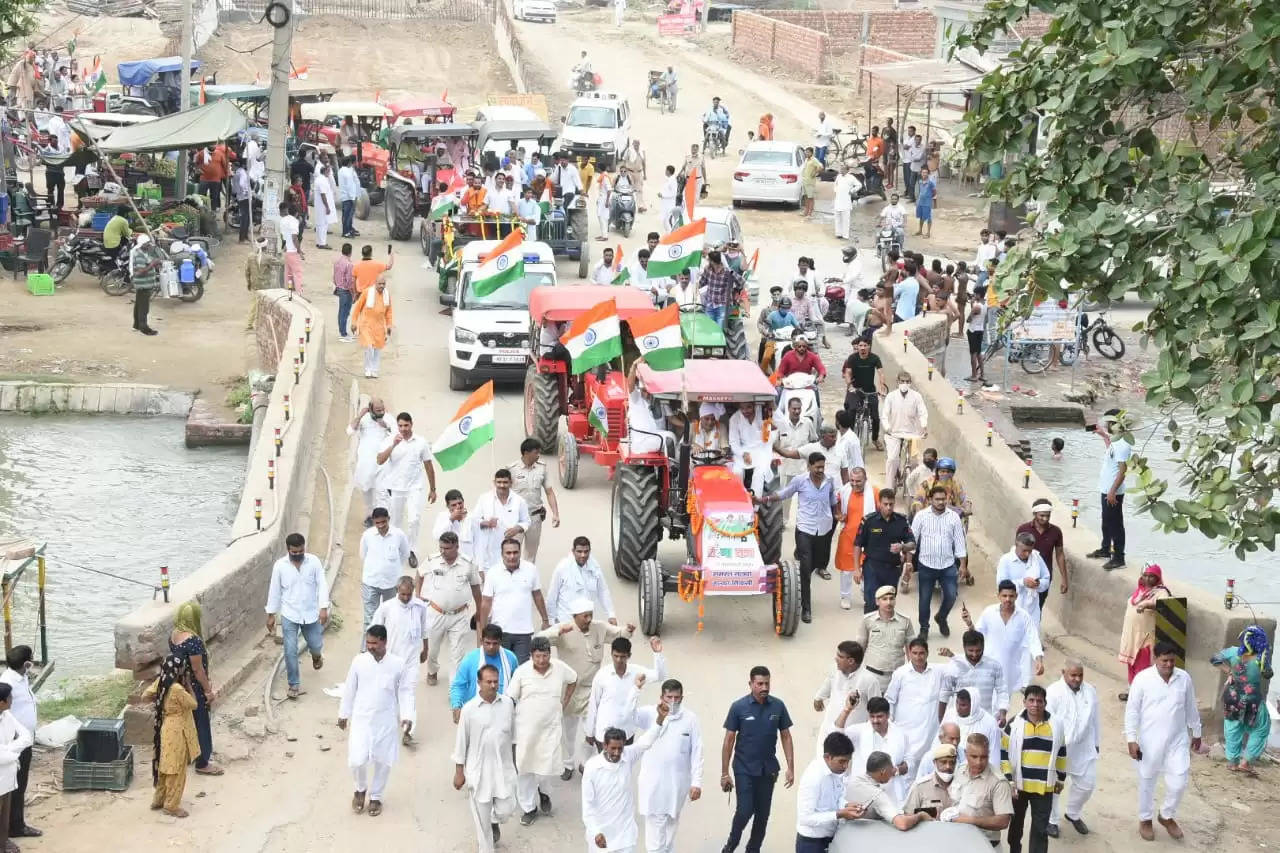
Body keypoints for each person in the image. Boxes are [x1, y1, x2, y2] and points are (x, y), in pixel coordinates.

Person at [538, 600, 633, 780]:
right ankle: (567, 764)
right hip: (568, 689)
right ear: (574, 617)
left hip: (591, 689)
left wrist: (628, 630)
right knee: (568, 730)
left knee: (593, 729)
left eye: (591, 614)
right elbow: (539, 639)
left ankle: (586, 764)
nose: (589, 619)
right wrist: (557, 631)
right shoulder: (564, 629)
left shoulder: (599, 627)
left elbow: (619, 634)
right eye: (585, 616)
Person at [1124, 641, 1202, 841]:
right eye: (1164, 660)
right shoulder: (1142, 679)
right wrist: (1131, 738)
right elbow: (1132, 710)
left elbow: (1191, 707)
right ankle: (1145, 819)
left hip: (1177, 741)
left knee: (1179, 782)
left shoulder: (1184, 678)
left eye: (1172, 660)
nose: (1169, 664)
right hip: (1149, 742)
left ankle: (1166, 815)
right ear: (1155, 659)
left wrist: (1197, 732)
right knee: (1147, 781)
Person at [338, 624, 412, 816]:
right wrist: (343, 713)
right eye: (368, 642)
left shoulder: (397, 664)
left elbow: (405, 692)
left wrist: (407, 716)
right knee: (357, 759)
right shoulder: (359, 661)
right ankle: (360, 789)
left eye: (374, 643)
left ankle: (376, 796)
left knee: (383, 760)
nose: (370, 646)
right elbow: (349, 689)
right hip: (361, 718)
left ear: (384, 642)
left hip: (385, 719)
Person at [721, 666, 795, 853]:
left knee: (762, 815)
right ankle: (731, 845)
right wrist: (724, 773)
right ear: (751, 684)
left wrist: (790, 768)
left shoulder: (778, 706)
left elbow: (786, 736)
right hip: (744, 767)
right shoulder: (739, 707)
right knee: (745, 810)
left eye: (767, 683)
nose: (764, 687)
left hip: (768, 769)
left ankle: (753, 850)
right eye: (759, 683)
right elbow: (729, 740)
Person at [508, 636, 577, 826]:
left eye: (545, 656)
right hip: (525, 731)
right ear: (531, 656)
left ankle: (544, 794)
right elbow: (510, 698)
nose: (541, 661)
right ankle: (529, 808)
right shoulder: (522, 672)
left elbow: (574, 679)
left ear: (550, 654)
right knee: (524, 768)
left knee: (546, 767)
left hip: (550, 729)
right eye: (537, 657)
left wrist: (565, 701)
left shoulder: (559, 667)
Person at [762, 452, 838, 623]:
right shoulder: (800, 481)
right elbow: (784, 494)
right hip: (804, 529)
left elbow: (832, 500)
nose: (820, 470)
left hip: (823, 530)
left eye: (822, 467)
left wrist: (837, 514)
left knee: (817, 563)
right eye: (817, 467)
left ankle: (800, 572)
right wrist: (764, 499)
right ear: (809, 466)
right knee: (805, 569)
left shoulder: (829, 481)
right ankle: (806, 608)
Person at [631, 678, 703, 852]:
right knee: (656, 834)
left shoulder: (690, 719)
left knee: (670, 828)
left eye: (676, 698)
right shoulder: (649, 713)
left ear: (682, 698)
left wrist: (696, 782)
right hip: (653, 784)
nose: (672, 702)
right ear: (661, 697)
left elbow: (697, 751)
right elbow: (629, 715)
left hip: (677, 786)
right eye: (669, 697)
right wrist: (635, 691)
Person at [453, 664, 518, 852]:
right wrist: (459, 772)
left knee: (506, 810)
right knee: (482, 826)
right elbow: (461, 743)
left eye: (496, 681)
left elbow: (513, 737)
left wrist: (514, 765)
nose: (492, 685)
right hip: (478, 772)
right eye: (488, 681)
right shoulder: (469, 709)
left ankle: (494, 820)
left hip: (503, 769)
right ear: (479, 683)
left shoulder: (507, 704)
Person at [1000, 684, 1066, 853]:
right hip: (1018, 787)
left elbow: (1061, 751)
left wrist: (1061, 778)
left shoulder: (1056, 725)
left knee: (1040, 830)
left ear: (1045, 703)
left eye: (1039, 701)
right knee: (1016, 826)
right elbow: (1004, 753)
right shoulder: (1014, 724)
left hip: (1044, 787)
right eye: (1031, 700)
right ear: (1024, 702)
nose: (1035, 704)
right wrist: (1009, 780)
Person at [265, 533, 329, 699]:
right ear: (288, 550)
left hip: (310, 613)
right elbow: (275, 591)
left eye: (301, 551)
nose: (298, 554)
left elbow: (322, 584)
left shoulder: (314, 562)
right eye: (294, 552)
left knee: (315, 644)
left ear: (304, 548)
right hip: (289, 614)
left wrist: (323, 608)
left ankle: (316, 656)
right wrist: (271, 614)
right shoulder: (280, 566)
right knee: (290, 650)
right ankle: (294, 684)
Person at [582, 724, 660, 853]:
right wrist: (596, 832)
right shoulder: (592, 767)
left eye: (620, 748)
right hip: (601, 836)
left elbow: (645, 743)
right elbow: (587, 805)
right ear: (605, 746)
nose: (617, 753)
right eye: (613, 748)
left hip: (625, 836)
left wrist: (659, 720)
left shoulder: (627, 756)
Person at [417, 530, 481, 686]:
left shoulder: (468, 563)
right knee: (432, 648)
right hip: (436, 613)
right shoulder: (432, 560)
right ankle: (432, 671)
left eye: (446, 548)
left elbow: (476, 587)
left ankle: (455, 687)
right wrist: (418, 596)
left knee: (457, 653)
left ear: (457, 547)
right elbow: (419, 574)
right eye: (441, 547)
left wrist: (480, 610)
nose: (443, 551)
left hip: (459, 615)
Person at [368, 577, 428, 743]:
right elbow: (373, 630)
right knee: (388, 692)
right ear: (397, 592)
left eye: (409, 594)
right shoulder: (386, 608)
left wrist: (426, 649)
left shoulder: (420, 607)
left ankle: (408, 728)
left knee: (408, 691)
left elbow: (424, 630)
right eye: (403, 595)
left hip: (411, 659)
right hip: (390, 658)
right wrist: (373, 653)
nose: (406, 598)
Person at [166, 604, 222, 779]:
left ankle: (189, 754)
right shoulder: (194, 641)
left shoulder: (174, 635)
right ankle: (203, 762)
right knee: (202, 723)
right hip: (195, 688)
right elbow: (198, 670)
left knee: (188, 722)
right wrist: (208, 691)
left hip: (181, 684)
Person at [1044, 661, 1100, 837]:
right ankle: (1052, 820)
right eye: (1073, 675)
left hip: (1083, 747)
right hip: (1058, 748)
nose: (1077, 679)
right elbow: (1046, 721)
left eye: (1080, 675)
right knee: (1054, 787)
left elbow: (1095, 719)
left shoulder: (1090, 691)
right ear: (1063, 672)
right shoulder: (1053, 692)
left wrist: (1096, 742)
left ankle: (1073, 813)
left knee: (1087, 784)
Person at [375, 411, 436, 565]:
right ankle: (395, 548)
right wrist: (393, 445)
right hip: (395, 488)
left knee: (414, 519)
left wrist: (433, 489)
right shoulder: (390, 440)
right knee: (395, 521)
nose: (403, 429)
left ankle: (411, 550)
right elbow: (380, 460)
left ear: (411, 424)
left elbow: (429, 465)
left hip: (414, 488)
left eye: (406, 425)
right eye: (400, 425)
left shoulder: (421, 442)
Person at [479, 538, 550, 665]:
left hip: (524, 632)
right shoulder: (493, 572)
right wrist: (484, 631)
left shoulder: (531, 569)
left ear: (520, 552)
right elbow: (486, 603)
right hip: (500, 631)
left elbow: (537, 595)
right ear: (502, 554)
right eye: (508, 553)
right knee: (500, 668)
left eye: (515, 552)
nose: (512, 556)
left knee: (520, 669)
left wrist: (545, 620)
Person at [911, 485, 969, 637]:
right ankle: (924, 628)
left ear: (948, 499)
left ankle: (941, 617)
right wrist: (908, 562)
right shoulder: (921, 516)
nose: (941, 502)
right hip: (926, 565)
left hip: (948, 565)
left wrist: (963, 565)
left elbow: (960, 541)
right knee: (924, 600)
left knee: (951, 596)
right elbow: (912, 540)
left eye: (943, 499)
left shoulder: (954, 517)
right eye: (937, 499)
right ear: (930, 500)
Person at [587, 635, 665, 747]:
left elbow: (659, 676)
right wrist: (590, 731)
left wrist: (657, 654)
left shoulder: (636, 671)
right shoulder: (602, 675)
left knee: (625, 764)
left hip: (627, 733)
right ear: (611, 654)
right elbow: (594, 703)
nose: (619, 660)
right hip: (604, 734)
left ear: (629, 656)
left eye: (622, 657)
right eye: (616, 656)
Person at [1213, 625, 1271, 776]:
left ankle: (1232, 763)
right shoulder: (1260, 657)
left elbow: (1214, 659)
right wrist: (1266, 656)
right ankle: (1246, 762)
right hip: (1252, 699)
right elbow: (1267, 674)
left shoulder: (1232, 652)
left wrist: (1229, 671)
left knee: (1233, 728)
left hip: (1232, 697)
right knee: (1261, 727)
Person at [145, 656, 197, 818]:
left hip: (166, 726)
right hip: (178, 730)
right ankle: (171, 805)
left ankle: (158, 799)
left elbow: (145, 696)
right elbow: (193, 704)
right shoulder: (177, 689)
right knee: (177, 768)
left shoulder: (161, 682)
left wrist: (161, 702)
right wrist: (189, 685)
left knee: (165, 765)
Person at [886, 637, 944, 781]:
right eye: (915, 653)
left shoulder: (937, 671)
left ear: (927, 653)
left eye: (922, 653)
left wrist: (950, 655)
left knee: (927, 770)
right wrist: (889, 724)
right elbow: (890, 699)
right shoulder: (900, 673)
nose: (918, 657)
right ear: (909, 654)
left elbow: (959, 668)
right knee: (906, 771)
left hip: (930, 731)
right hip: (906, 730)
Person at [796, 731, 865, 851]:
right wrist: (839, 814)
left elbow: (836, 798)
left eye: (848, 761)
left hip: (830, 838)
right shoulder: (813, 777)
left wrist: (847, 805)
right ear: (827, 757)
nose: (845, 766)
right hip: (811, 843)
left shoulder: (836, 771)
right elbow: (805, 818)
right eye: (842, 761)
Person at [851, 491, 915, 617]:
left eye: (891, 504)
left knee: (887, 604)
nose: (889, 507)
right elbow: (858, 544)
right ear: (879, 503)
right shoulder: (869, 521)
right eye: (885, 504)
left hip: (892, 569)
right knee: (871, 602)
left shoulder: (901, 521)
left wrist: (902, 546)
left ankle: (885, 632)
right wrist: (856, 569)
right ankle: (870, 633)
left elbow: (912, 543)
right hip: (872, 568)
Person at [835, 695, 910, 803]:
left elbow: (909, 761)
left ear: (888, 715)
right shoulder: (859, 731)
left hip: (890, 794)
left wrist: (897, 770)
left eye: (879, 716)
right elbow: (837, 733)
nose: (875, 720)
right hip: (863, 793)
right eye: (872, 716)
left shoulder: (901, 734)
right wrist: (847, 709)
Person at [1117, 564, 1170, 698]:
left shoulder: (1160, 592)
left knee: (1142, 667)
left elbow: (1164, 604)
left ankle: (1142, 695)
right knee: (1132, 665)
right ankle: (1132, 691)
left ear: (1157, 577)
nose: (1147, 579)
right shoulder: (1139, 591)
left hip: (1145, 637)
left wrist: (1147, 604)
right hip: (1131, 635)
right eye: (1145, 575)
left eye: (1151, 576)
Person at [948, 733, 1015, 841]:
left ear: (989, 754)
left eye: (983, 757)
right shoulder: (959, 771)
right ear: (965, 754)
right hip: (956, 839)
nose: (978, 762)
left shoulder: (999, 782)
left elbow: (1003, 821)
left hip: (984, 843)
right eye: (974, 757)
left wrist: (971, 821)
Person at [1088, 409, 1132, 570]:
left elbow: (1123, 471)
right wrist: (1104, 436)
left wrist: (1113, 491)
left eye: (1108, 423)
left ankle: (1119, 557)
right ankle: (1106, 549)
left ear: (1115, 423)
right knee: (1106, 521)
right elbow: (1111, 453)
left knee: (1115, 524)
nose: (1106, 425)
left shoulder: (1123, 444)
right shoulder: (1115, 441)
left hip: (1113, 492)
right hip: (1106, 489)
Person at [0, 648, 36, 840]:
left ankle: (15, 823)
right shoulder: (7, 682)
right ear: (26, 663)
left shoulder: (22, 677)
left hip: (24, 740)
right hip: (13, 744)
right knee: (12, 786)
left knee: (20, 784)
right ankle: (14, 827)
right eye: (30, 660)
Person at [845, 751, 930, 831]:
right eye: (891, 770)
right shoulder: (877, 795)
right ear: (883, 772)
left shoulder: (852, 781)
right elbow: (902, 824)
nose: (893, 773)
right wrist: (920, 816)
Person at [358, 507, 410, 636]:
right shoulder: (367, 535)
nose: (381, 526)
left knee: (390, 617)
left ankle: (387, 648)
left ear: (388, 519)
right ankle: (367, 650)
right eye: (377, 523)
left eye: (383, 522)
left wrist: (393, 569)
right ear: (373, 522)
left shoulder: (399, 535)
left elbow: (405, 554)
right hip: (370, 582)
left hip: (392, 584)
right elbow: (362, 555)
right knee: (370, 619)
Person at [939, 631, 1009, 724]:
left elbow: (1002, 691)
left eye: (978, 650)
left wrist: (1003, 713)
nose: (975, 654)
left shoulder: (994, 666)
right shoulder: (953, 666)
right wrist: (941, 721)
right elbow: (944, 694)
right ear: (964, 647)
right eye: (971, 651)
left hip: (984, 720)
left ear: (983, 647)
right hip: (959, 721)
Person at [451, 625, 519, 720]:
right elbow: (458, 685)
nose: (491, 647)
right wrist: (456, 706)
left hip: (503, 713)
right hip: (476, 713)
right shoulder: (470, 659)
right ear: (481, 640)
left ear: (500, 642)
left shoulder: (511, 658)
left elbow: (517, 684)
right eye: (487, 643)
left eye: (495, 643)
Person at [509, 438, 560, 561]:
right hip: (515, 518)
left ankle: (528, 579)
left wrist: (555, 514)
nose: (538, 456)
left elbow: (549, 492)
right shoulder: (511, 469)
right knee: (512, 552)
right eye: (536, 453)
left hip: (534, 518)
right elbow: (501, 492)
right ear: (526, 453)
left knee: (531, 554)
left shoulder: (542, 468)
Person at [546, 537, 615, 624]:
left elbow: (603, 591)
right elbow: (552, 595)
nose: (583, 555)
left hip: (588, 621)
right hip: (567, 621)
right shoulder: (562, 568)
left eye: (586, 552)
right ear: (573, 551)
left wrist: (611, 614)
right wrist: (551, 620)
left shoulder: (595, 567)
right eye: (579, 552)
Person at [474, 469, 531, 572]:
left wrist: (517, 529)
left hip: (510, 551)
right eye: (499, 482)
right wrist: (487, 523)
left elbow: (526, 521)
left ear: (511, 483)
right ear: (494, 482)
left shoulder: (519, 501)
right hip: (488, 550)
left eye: (505, 482)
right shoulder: (484, 499)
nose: (502, 485)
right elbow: (474, 521)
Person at [1017, 501, 1068, 611]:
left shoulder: (1056, 532)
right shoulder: (1023, 529)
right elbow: (1017, 553)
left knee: (1038, 606)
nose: (1045, 519)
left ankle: (1034, 626)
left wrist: (1064, 579)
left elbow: (1060, 555)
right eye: (1042, 515)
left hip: (1044, 577)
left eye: (1048, 516)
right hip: (1024, 574)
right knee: (1021, 605)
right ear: (1035, 514)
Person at [994, 532, 1052, 629]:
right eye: (1024, 550)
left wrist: (1038, 584)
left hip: (1032, 609)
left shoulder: (1036, 558)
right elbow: (1001, 585)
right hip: (1012, 607)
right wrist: (1022, 583)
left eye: (1030, 551)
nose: (1028, 554)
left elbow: (1046, 578)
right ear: (1016, 545)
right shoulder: (1006, 560)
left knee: (1032, 638)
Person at [348, 398, 392, 524]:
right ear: (371, 410)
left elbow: (396, 433)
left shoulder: (388, 418)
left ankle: (383, 518)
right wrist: (359, 416)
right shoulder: (364, 419)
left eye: (382, 409)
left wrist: (385, 425)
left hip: (383, 463)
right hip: (366, 463)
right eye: (378, 410)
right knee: (367, 490)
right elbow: (350, 431)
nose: (381, 412)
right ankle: (370, 516)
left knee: (382, 492)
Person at [881, 372, 927, 490]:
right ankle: (889, 489)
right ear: (897, 382)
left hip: (912, 434)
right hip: (893, 433)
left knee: (915, 462)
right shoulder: (891, 396)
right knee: (892, 460)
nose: (904, 384)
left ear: (910, 383)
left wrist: (924, 426)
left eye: (907, 381)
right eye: (902, 381)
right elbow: (884, 415)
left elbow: (922, 413)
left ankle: (913, 490)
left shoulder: (917, 397)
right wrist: (887, 428)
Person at [943, 689, 1003, 770]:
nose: (958, 707)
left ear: (973, 705)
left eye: (963, 705)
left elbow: (994, 756)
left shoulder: (990, 723)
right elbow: (938, 742)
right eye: (957, 703)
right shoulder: (950, 715)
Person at [351, 275, 394, 380]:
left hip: (379, 327)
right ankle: (368, 369)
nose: (382, 286)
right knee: (369, 347)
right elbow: (357, 308)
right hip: (366, 324)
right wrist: (354, 322)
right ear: (375, 283)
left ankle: (374, 370)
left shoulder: (387, 295)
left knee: (377, 349)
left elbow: (389, 312)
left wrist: (389, 325)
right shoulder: (367, 292)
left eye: (384, 284)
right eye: (380, 283)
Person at [904, 742, 956, 817]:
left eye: (952, 762)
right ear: (934, 762)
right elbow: (908, 815)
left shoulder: (962, 785)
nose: (948, 766)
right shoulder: (920, 787)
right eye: (943, 762)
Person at [128, 233, 164, 336]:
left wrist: (154, 263)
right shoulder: (139, 254)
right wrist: (152, 264)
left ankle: (137, 325)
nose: (149, 245)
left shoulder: (144, 252)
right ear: (142, 244)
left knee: (139, 305)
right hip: (143, 284)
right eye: (147, 243)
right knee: (144, 307)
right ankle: (144, 328)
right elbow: (140, 272)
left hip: (144, 284)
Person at [432, 489, 480, 563]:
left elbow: (478, 543)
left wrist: (479, 566)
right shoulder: (442, 516)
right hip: (448, 562)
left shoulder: (472, 517)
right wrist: (451, 519)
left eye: (460, 503)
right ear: (448, 506)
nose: (458, 507)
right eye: (453, 505)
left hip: (468, 562)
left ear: (463, 502)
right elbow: (437, 536)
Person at [333, 242, 357, 342]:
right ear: (350, 252)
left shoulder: (337, 262)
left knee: (341, 311)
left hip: (339, 288)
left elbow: (334, 276)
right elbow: (349, 281)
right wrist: (354, 293)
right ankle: (343, 333)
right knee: (345, 312)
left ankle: (342, 331)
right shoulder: (349, 264)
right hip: (346, 290)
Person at [312, 162, 336, 249]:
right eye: (329, 171)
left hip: (320, 206)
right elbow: (323, 194)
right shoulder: (322, 180)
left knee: (319, 224)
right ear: (325, 171)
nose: (329, 173)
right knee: (323, 224)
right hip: (322, 206)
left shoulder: (320, 179)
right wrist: (327, 207)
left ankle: (319, 242)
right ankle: (322, 243)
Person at [337, 156, 361, 239]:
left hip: (345, 196)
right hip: (349, 197)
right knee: (347, 216)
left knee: (346, 215)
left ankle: (348, 230)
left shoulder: (341, 170)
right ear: (349, 163)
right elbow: (350, 186)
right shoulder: (347, 173)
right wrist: (352, 197)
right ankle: (346, 232)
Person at [833, 164, 856, 240]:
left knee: (846, 219)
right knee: (837, 218)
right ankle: (838, 233)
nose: (841, 170)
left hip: (846, 200)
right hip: (838, 199)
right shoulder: (839, 176)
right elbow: (835, 184)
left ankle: (845, 235)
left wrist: (852, 191)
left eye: (843, 169)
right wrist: (836, 190)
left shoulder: (851, 177)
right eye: (841, 169)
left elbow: (859, 185)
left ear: (847, 170)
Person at [622, 140, 647, 210]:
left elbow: (644, 163)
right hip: (630, 172)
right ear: (633, 144)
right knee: (630, 189)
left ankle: (640, 206)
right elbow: (624, 160)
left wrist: (645, 174)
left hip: (639, 173)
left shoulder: (642, 151)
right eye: (635, 143)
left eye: (637, 143)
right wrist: (623, 172)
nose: (636, 145)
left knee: (639, 190)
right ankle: (628, 206)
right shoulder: (629, 150)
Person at [914, 166, 936, 238]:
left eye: (926, 173)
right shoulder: (920, 181)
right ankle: (920, 230)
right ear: (921, 173)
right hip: (920, 202)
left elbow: (934, 192)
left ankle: (928, 233)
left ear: (928, 174)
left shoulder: (931, 182)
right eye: (923, 172)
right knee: (921, 216)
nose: (924, 174)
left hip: (927, 202)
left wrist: (929, 198)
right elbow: (920, 191)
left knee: (928, 217)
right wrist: (918, 200)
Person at [800, 147, 822, 218]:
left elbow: (821, 167)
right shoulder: (806, 159)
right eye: (806, 152)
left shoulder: (814, 160)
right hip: (805, 181)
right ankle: (805, 212)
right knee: (806, 197)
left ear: (812, 153)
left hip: (810, 182)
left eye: (808, 152)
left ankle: (810, 213)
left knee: (811, 198)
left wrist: (815, 173)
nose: (806, 153)